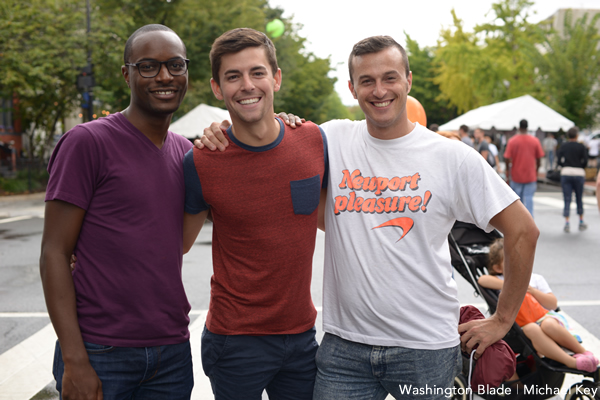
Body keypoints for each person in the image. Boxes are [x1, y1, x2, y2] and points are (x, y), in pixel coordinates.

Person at [199, 35, 539, 400]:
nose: (379, 90)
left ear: (408, 80)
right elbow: (271, 138)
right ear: (352, 88)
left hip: (425, 348)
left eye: (390, 78)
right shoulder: (327, 139)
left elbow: (523, 231)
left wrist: (503, 321)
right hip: (345, 349)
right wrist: (221, 132)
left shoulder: (451, 157)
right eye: (367, 81)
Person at [40, 25, 195, 399]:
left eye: (175, 65)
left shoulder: (188, 154)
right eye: (148, 66)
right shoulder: (87, 142)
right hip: (100, 351)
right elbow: (54, 253)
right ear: (127, 74)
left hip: (172, 353)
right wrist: (75, 359)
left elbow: (173, 244)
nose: (164, 76)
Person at [183, 28, 328, 399]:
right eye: (233, 76)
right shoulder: (202, 160)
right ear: (217, 88)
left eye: (257, 73)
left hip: (301, 337)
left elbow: (338, 217)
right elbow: (175, 244)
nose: (247, 85)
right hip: (235, 342)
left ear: (275, 78)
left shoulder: (313, 140)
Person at [478, 239, 598, 373]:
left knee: (548, 325)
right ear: (498, 268)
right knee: (531, 329)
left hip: (545, 318)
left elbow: (552, 304)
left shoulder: (535, 279)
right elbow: (482, 280)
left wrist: (533, 291)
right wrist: (514, 285)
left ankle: (584, 352)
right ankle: (570, 362)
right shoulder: (501, 280)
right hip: (522, 326)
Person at [503, 119, 544, 217]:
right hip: (530, 175)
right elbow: (539, 158)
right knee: (529, 199)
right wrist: (536, 170)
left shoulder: (512, 141)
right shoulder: (535, 141)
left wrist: (508, 172)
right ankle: (530, 222)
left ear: (519, 127)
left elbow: (507, 158)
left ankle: (518, 222)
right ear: (527, 127)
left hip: (516, 175)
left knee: (517, 202)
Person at [557, 127, 588, 233]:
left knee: (567, 198)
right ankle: (581, 220)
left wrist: (564, 165)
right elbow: (585, 161)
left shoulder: (564, 146)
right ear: (577, 135)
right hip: (579, 173)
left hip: (566, 172)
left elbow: (559, 160)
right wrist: (580, 166)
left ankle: (567, 222)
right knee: (579, 197)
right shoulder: (581, 146)